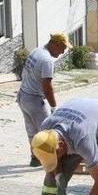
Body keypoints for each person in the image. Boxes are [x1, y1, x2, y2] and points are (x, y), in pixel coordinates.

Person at [18, 33, 70, 167]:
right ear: (55, 44)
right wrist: (53, 107)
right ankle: (54, 162)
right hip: (35, 100)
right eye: (62, 48)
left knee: (32, 130)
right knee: (49, 131)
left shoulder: (37, 51)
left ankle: (35, 158)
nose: (63, 52)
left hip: (23, 96)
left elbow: (24, 73)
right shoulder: (47, 60)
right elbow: (47, 86)